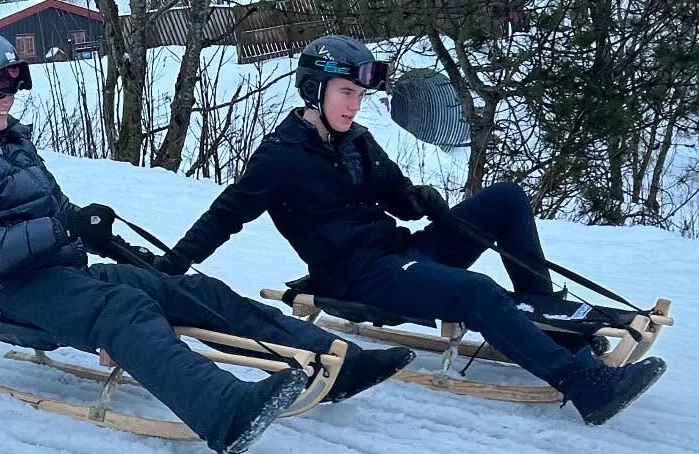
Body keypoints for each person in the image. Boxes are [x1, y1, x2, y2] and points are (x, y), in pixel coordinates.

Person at [0, 30, 412, 454]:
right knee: (123, 307)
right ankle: (221, 410)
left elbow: (56, 209)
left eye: (12, 90)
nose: (8, 100)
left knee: (188, 288)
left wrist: (95, 232)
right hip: (8, 289)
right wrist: (64, 230)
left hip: (61, 271)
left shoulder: (10, 140)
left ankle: (336, 360)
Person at [156, 34, 667, 426]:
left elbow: (400, 202)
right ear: (315, 89)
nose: (354, 105)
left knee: (506, 198)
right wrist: (170, 267)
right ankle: (584, 386)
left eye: (358, 94)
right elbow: (226, 214)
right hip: (357, 276)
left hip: (401, 254)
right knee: (475, 290)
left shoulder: (356, 141)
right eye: (345, 92)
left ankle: (548, 320)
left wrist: (421, 199)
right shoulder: (281, 158)